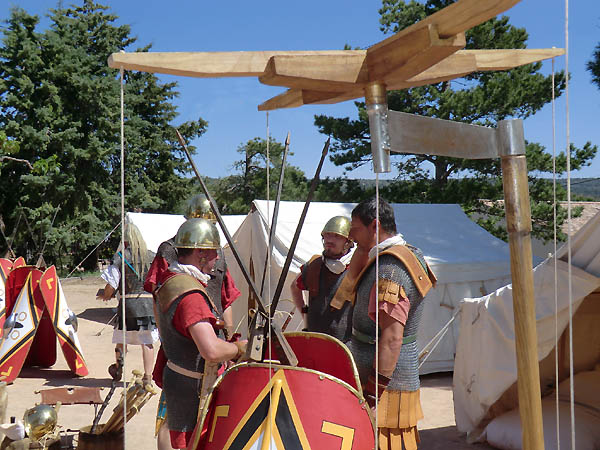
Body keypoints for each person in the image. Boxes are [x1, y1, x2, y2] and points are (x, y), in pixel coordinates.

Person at [145, 195, 240, 450]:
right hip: (191, 352)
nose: (215, 259)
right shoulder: (188, 291)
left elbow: (226, 298)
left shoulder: (179, 279)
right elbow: (209, 348)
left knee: (185, 428)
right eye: (211, 253)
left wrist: (226, 337)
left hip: (196, 340)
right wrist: (239, 349)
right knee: (183, 431)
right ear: (199, 253)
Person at [347, 197, 436, 450]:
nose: (352, 236)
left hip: (386, 384)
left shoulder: (390, 268)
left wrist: (375, 392)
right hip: (383, 375)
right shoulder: (403, 254)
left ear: (374, 226)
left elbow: (392, 336)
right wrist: (363, 249)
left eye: (355, 229)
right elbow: (351, 279)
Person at [98, 223, 158, 386]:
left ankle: (118, 369)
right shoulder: (152, 257)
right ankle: (148, 377)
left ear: (126, 240)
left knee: (121, 339)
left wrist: (105, 295)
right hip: (148, 304)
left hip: (128, 305)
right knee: (147, 341)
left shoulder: (121, 257)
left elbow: (112, 284)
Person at [289, 215, 355, 342]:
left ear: (348, 241)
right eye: (327, 235)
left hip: (347, 343)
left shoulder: (357, 267)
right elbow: (295, 287)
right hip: (315, 339)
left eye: (337, 236)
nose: (330, 240)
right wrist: (305, 314)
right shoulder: (314, 265)